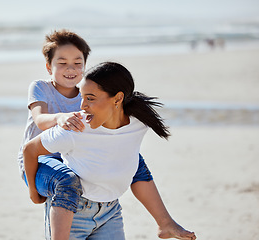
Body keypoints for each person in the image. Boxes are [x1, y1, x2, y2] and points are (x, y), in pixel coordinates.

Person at [23, 61, 196, 240]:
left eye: (90, 98)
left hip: (110, 212)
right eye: (82, 97)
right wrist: (34, 194)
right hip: (71, 211)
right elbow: (30, 150)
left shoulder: (138, 123)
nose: (82, 106)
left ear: (118, 98)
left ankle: (165, 223)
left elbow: (138, 171)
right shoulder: (76, 127)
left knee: (136, 160)